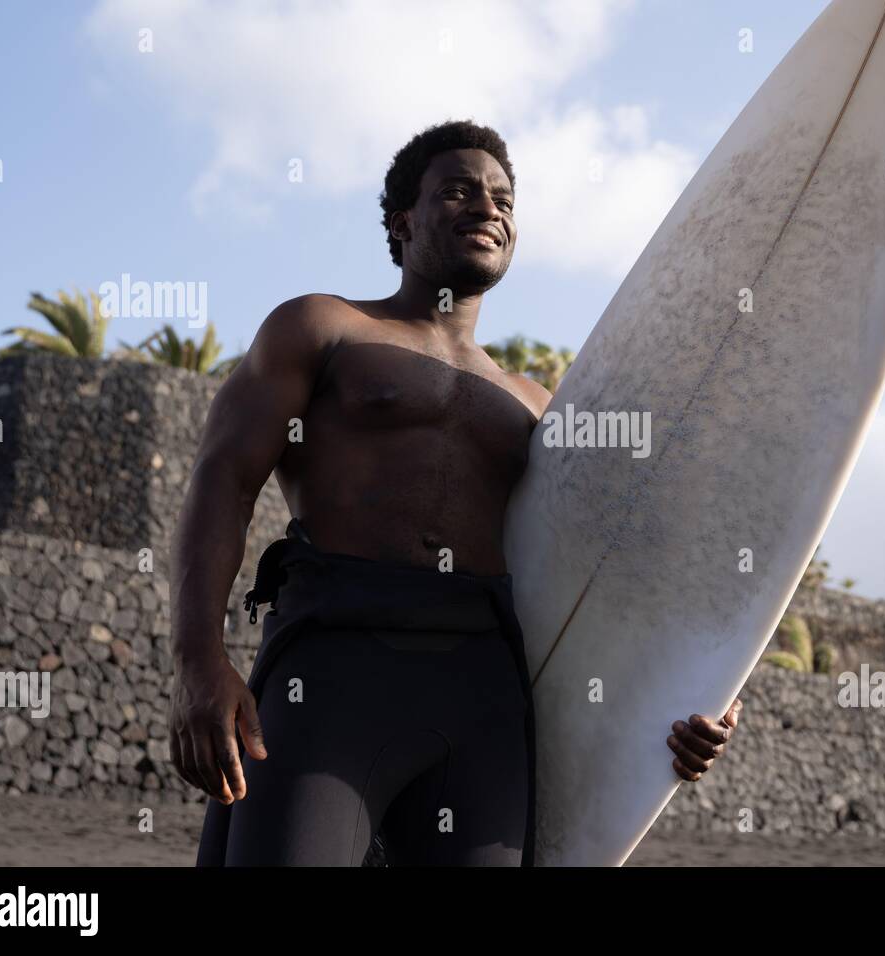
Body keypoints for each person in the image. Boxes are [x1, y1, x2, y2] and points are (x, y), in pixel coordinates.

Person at [170, 119, 743, 866]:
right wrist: (196, 660)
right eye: (460, 191)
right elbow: (223, 481)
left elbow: (621, 570)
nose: (489, 207)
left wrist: (708, 690)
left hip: (483, 688)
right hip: (336, 666)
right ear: (403, 223)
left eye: (505, 198)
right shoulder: (321, 327)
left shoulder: (537, 406)